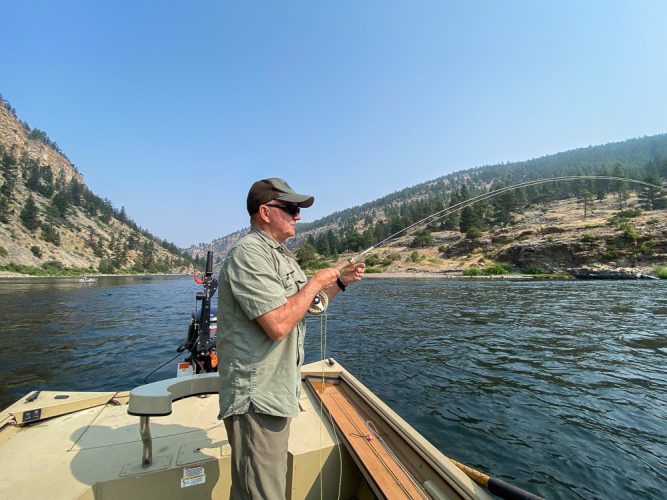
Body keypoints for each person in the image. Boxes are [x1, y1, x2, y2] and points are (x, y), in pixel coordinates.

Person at [217, 177, 365, 499]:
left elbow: (302, 308)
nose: (298, 216)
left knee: (258, 487)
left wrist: (339, 283)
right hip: (256, 398)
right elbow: (278, 324)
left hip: (276, 392)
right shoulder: (249, 254)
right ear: (266, 212)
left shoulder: (281, 256)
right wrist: (314, 283)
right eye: (291, 209)